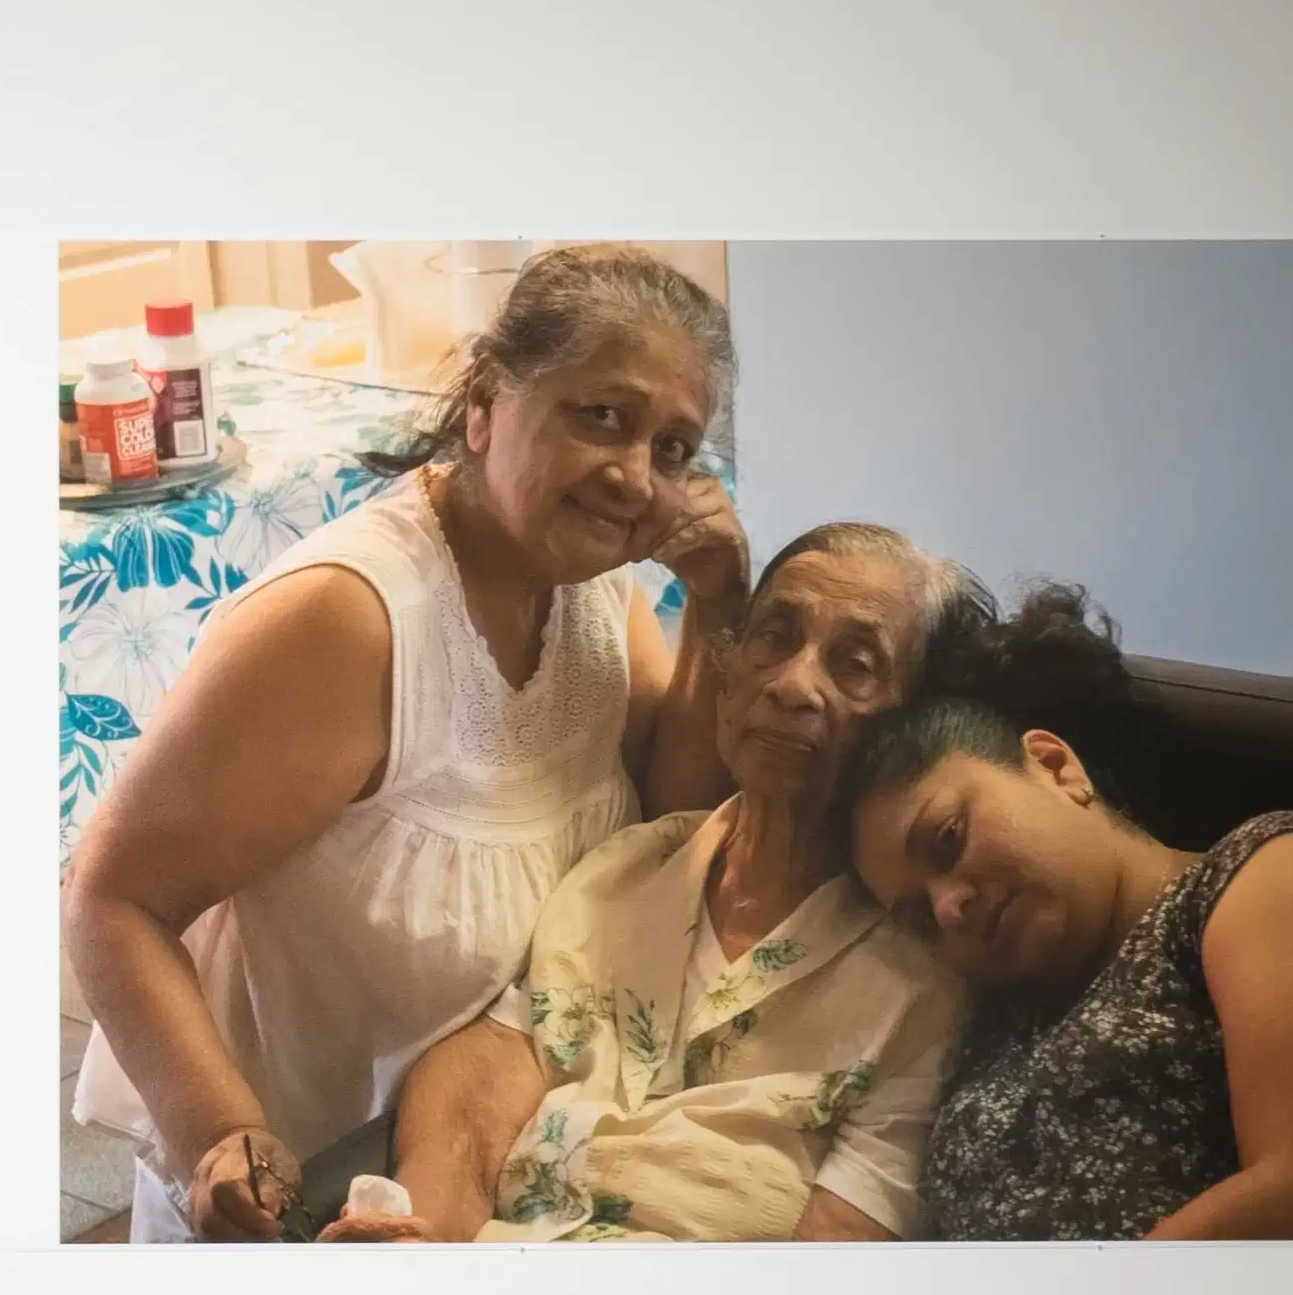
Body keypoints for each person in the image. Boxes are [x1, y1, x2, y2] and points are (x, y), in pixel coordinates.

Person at [66, 246, 749, 1240]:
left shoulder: (595, 586)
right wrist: (224, 1135)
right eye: (601, 415)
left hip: (482, 1159)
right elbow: (108, 893)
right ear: (484, 401)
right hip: (303, 1194)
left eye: (674, 448)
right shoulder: (352, 624)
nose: (636, 477)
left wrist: (722, 607)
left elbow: (669, 815)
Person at [320, 524, 971, 1243]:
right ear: (727, 678)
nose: (792, 684)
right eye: (774, 637)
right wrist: (418, 1243)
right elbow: (476, 1102)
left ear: (914, 727)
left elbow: (828, 1274)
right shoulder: (627, 869)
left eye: (854, 664)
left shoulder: (920, 986)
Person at [841, 585, 1293, 1239]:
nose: (949, 908)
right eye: (917, 915)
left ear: (1055, 766)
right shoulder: (992, 1020)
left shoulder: (1268, 877)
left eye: (948, 839)